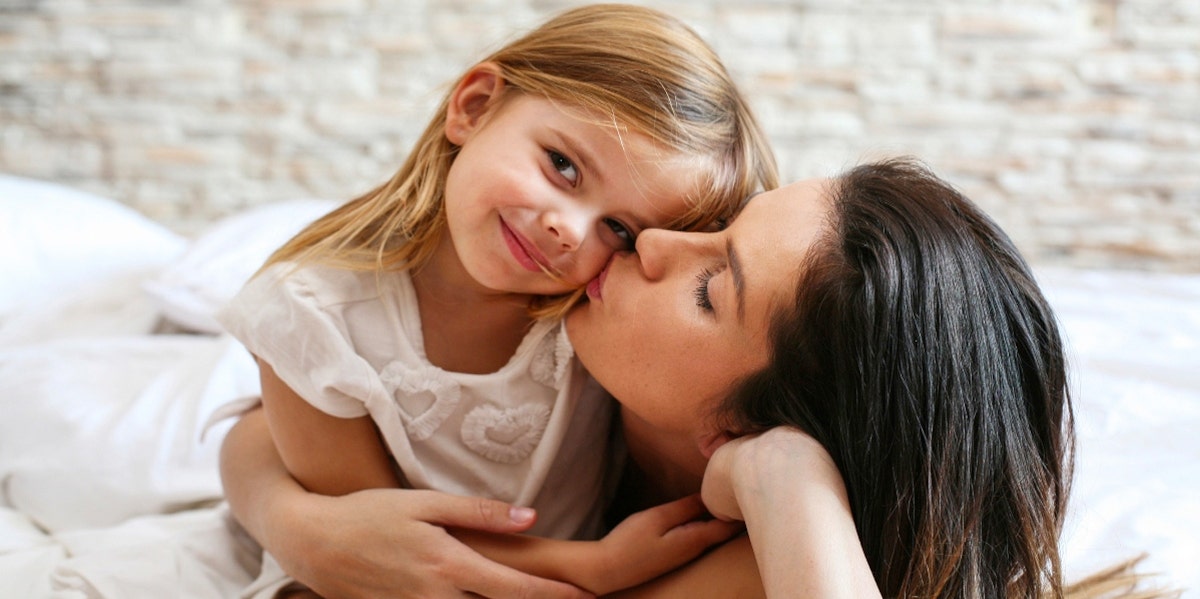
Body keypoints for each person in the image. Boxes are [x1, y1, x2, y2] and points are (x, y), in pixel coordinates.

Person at [220, 157, 1093, 598]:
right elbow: (273, 412)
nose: (656, 244)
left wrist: (781, 474)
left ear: (753, 427)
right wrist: (293, 521)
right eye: (727, 224)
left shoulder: (765, 557)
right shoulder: (586, 334)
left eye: (711, 288)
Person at [212, 3, 778, 598]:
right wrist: (594, 566)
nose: (570, 230)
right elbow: (382, 544)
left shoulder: (593, 316)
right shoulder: (308, 313)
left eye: (620, 230)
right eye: (563, 166)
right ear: (475, 105)